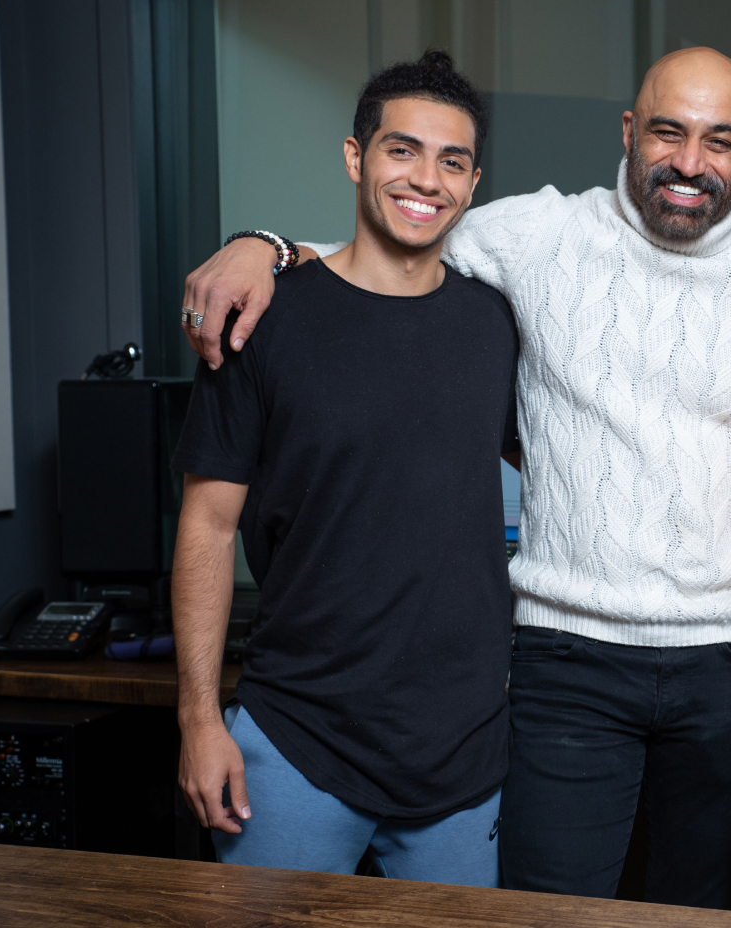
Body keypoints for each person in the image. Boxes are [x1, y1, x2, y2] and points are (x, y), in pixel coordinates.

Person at [179, 47, 731, 907]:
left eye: (720, 141)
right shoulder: (536, 235)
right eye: (668, 132)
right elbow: (398, 240)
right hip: (564, 666)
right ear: (628, 133)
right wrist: (267, 246)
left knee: (712, 915)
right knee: (547, 911)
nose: (691, 161)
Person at [170, 51, 520, 884]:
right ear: (356, 157)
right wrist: (198, 719)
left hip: (462, 757)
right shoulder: (260, 318)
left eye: (452, 160)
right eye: (402, 150)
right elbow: (208, 528)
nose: (426, 178)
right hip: (296, 740)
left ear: (474, 183)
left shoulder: (496, 324)